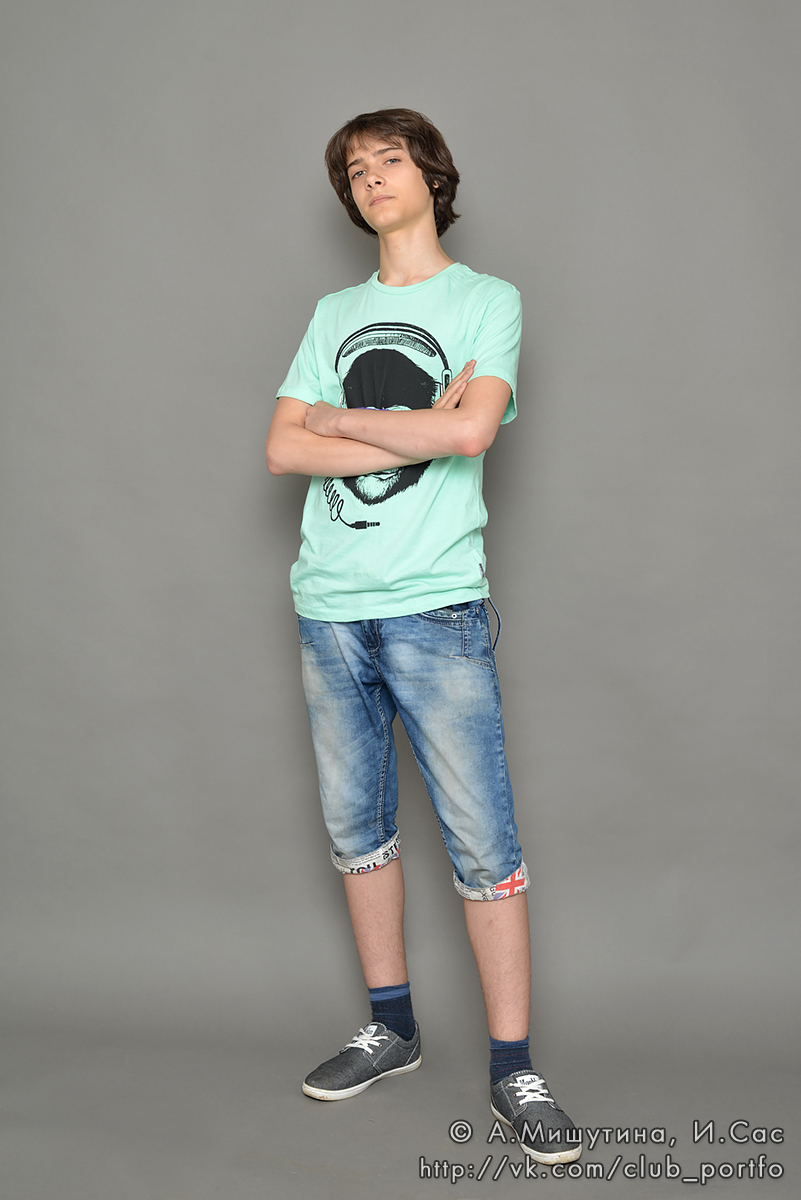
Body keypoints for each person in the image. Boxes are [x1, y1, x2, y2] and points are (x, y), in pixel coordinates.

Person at [266, 108, 581, 1166]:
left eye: (389, 160)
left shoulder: (488, 301)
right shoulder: (333, 312)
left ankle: (513, 1067)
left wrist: (336, 419)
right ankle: (391, 1028)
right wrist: (405, 428)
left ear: (431, 175)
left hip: (436, 604)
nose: (370, 178)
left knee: (483, 841)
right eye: (355, 169)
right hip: (328, 605)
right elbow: (280, 450)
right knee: (356, 828)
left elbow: (471, 430)